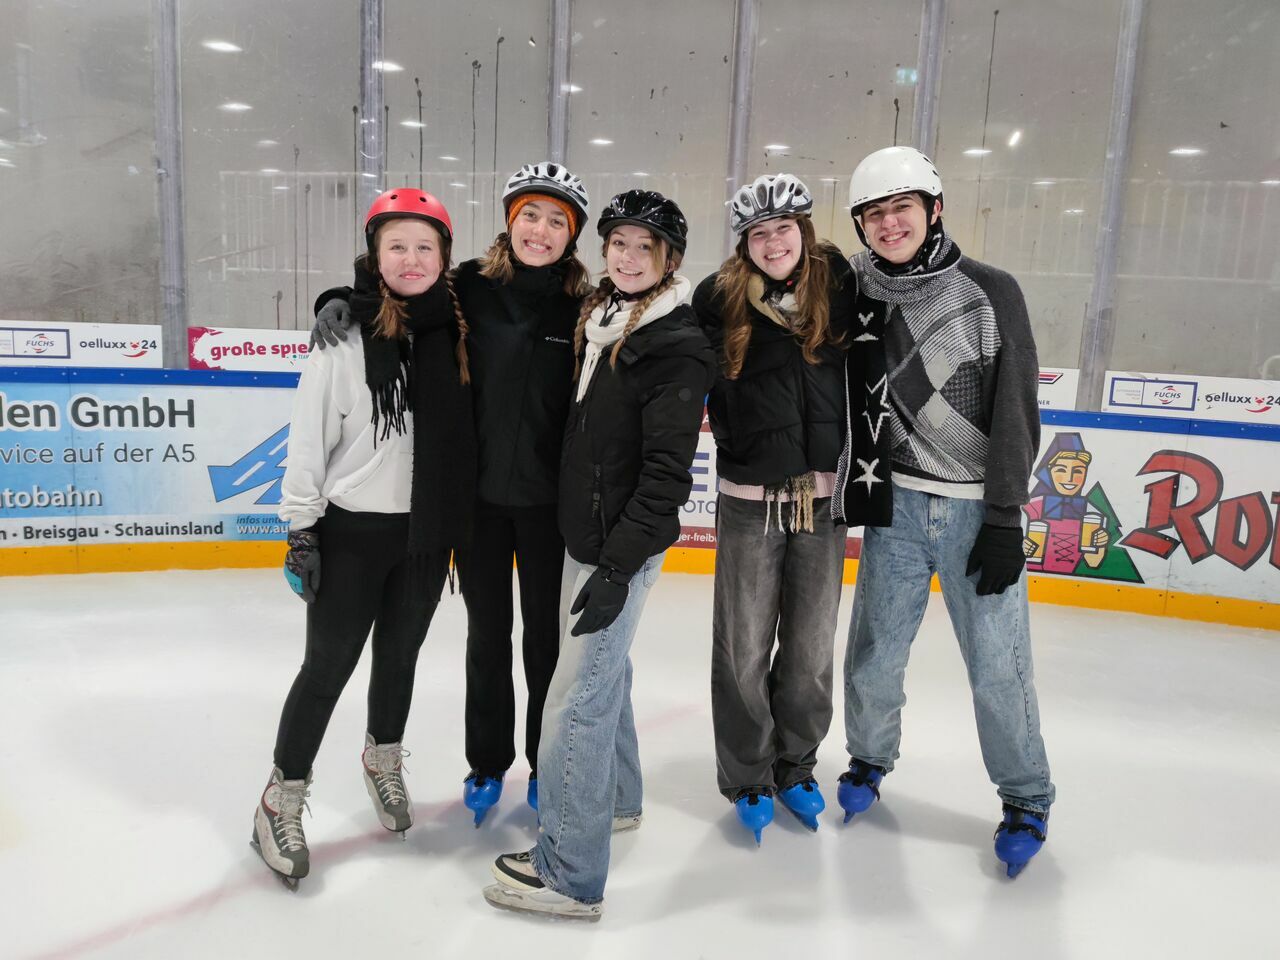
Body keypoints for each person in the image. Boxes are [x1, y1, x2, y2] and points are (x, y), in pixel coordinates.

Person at [311, 163, 591, 825]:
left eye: (556, 221)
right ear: (510, 220)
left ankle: (545, 764)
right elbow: (403, 289)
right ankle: (487, 763)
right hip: (479, 505)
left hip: (549, 508)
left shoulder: (583, 305)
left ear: (571, 234)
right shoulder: (467, 288)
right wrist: (340, 297)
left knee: (546, 645)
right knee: (487, 638)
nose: (540, 230)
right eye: (530, 215)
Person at [483, 190, 715, 920]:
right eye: (619, 243)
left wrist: (617, 568)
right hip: (587, 537)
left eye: (647, 247)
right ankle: (617, 800)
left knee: (574, 702)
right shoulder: (604, 317)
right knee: (607, 676)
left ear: (670, 260)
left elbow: (666, 476)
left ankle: (570, 873)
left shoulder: (675, 344)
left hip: (618, 547)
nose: (629, 257)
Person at [834, 146, 1054, 878]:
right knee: (874, 655)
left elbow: (1017, 408)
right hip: (893, 504)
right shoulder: (854, 286)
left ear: (934, 209)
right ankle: (868, 759)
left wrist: (1005, 517)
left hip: (973, 514)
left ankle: (1026, 795)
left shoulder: (990, 290)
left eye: (901, 208)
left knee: (997, 668)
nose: (888, 224)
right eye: (873, 214)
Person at [252, 188, 475, 888]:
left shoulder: (457, 335)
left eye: (425, 247)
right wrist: (301, 532)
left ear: (444, 257)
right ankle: (279, 799)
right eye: (396, 246)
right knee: (327, 669)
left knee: (399, 659)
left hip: (425, 535)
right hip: (351, 534)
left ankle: (383, 760)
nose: (411, 259)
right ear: (374, 255)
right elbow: (306, 444)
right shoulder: (341, 341)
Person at [692, 173, 890, 844]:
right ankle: (747, 773)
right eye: (758, 233)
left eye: (783, 229)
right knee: (743, 647)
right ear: (743, 243)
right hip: (751, 501)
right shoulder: (717, 299)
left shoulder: (840, 288)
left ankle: (796, 764)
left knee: (809, 648)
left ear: (803, 231)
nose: (772, 242)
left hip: (823, 501)